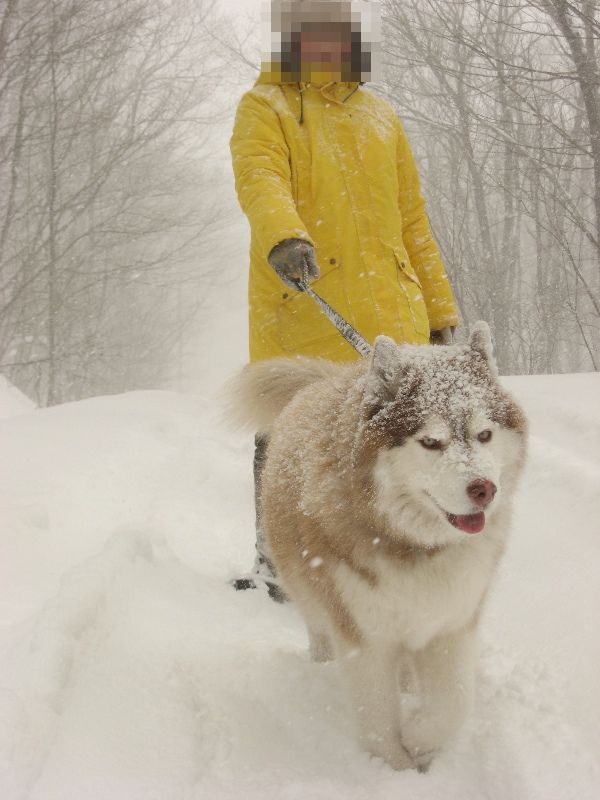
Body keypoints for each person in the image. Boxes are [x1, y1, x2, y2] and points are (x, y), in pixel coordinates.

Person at [229, 0, 459, 599]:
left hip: (393, 313)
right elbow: (260, 177)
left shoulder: (381, 117)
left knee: (383, 443)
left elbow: (413, 220)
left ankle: (384, 560)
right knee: (287, 435)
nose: (326, 38)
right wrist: (284, 234)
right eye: (311, 26)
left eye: (336, 25)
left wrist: (438, 308)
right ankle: (277, 561)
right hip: (306, 300)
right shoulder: (267, 106)